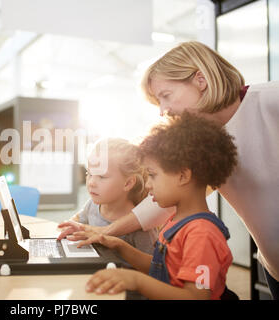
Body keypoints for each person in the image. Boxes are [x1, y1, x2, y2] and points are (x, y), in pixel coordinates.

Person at [58, 41, 279, 299]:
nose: (163, 110)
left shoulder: (270, 100)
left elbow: (197, 294)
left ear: (200, 79)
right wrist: (108, 234)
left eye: (166, 95)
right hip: (274, 266)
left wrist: (132, 274)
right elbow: (163, 202)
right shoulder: (207, 144)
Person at [84, 113, 237, 299]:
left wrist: (136, 280)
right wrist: (118, 245)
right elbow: (163, 268)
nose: (147, 184)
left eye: (153, 175)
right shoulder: (179, 221)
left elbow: (196, 296)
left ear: (183, 176)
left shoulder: (202, 234)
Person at [66, 138, 157, 256]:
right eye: (89, 174)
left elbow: (153, 267)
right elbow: (78, 222)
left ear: (128, 183)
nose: (91, 182)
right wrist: (70, 226)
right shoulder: (93, 205)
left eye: (102, 177)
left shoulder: (141, 227)